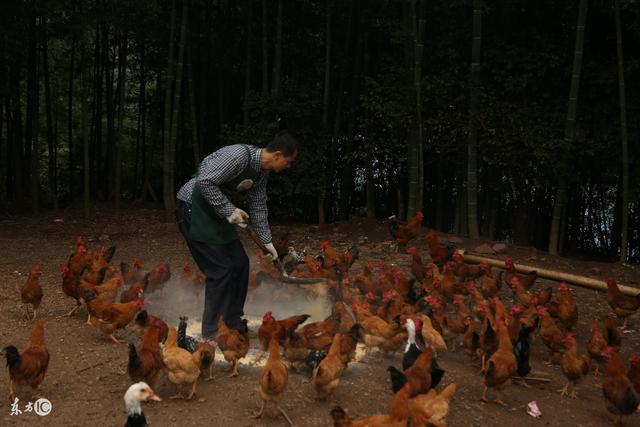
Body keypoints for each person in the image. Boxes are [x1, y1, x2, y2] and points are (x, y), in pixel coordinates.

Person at [175, 131, 299, 338]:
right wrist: (229, 211)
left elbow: (258, 206)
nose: (288, 166)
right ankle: (213, 330)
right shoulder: (239, 156)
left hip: (216, 213)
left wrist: (267, 241)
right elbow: (205, 182)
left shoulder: (261, 173)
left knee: (240, 264)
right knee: (220, 270)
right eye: (288, 161)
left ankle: (231, 322)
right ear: (277, 155)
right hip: (193, 209)